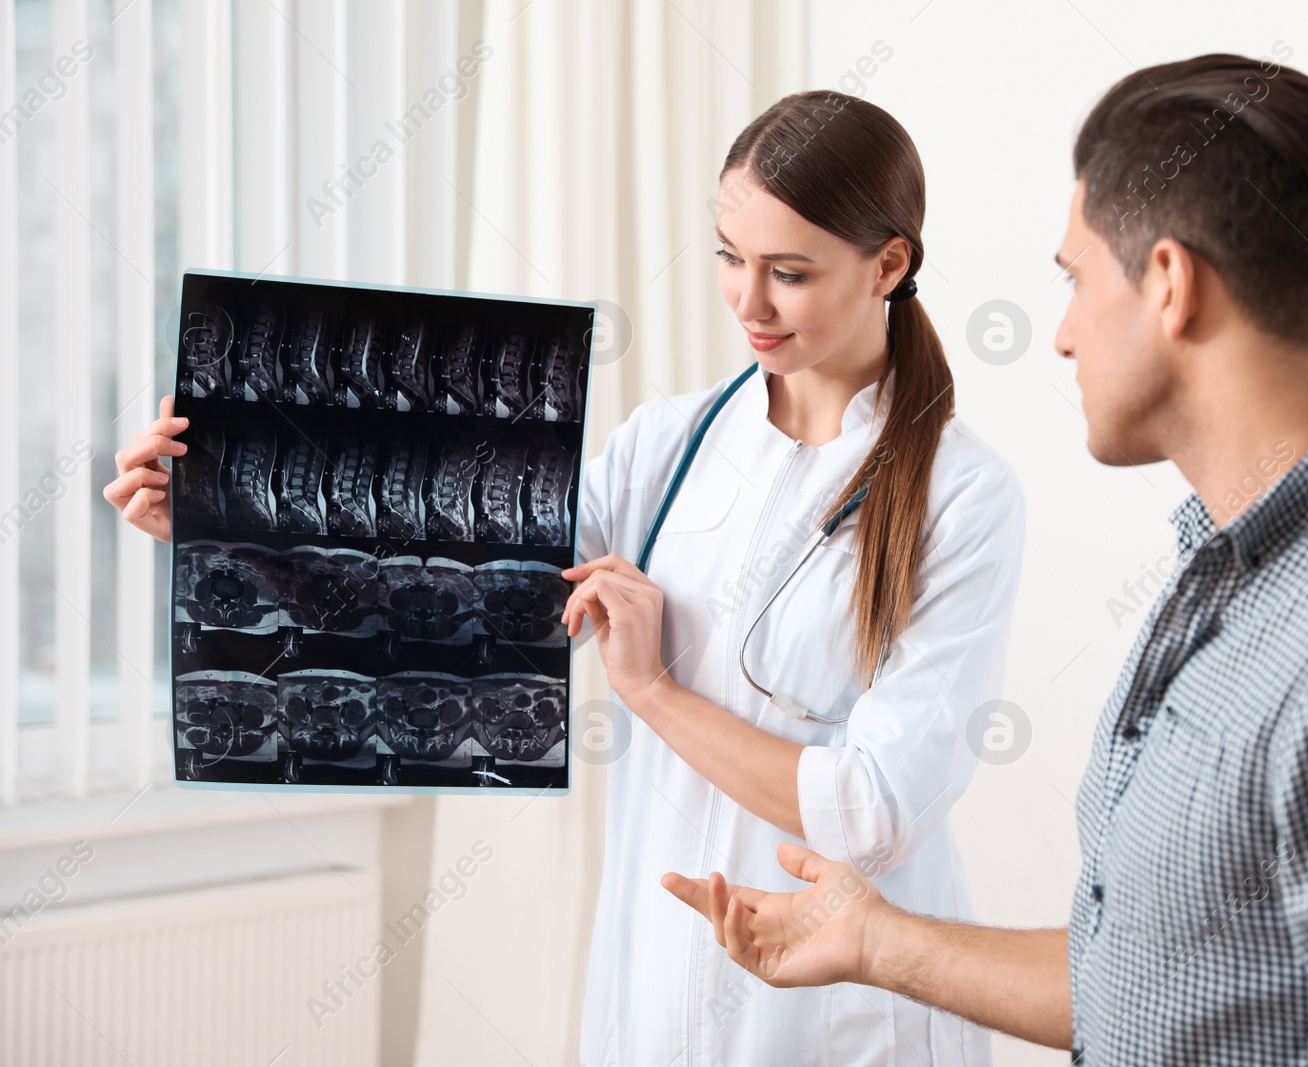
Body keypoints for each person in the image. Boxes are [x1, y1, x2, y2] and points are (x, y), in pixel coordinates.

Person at [666, 54, 1308, 1065]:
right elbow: (1170, 976)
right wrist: (878, 938)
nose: (1058, 334)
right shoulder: (1236, 582)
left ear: (1168, 284)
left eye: (1074, 278)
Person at [105, 90, 1027, 1065]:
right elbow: (458, 598)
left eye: (788, 272)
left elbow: (873, 810)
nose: (747, 303)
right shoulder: (668, 446)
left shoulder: (963, 497)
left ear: (889, 262)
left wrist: (650, 690)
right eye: (727, 255)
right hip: (659, 979)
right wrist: (220, 524)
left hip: (844, 1018)